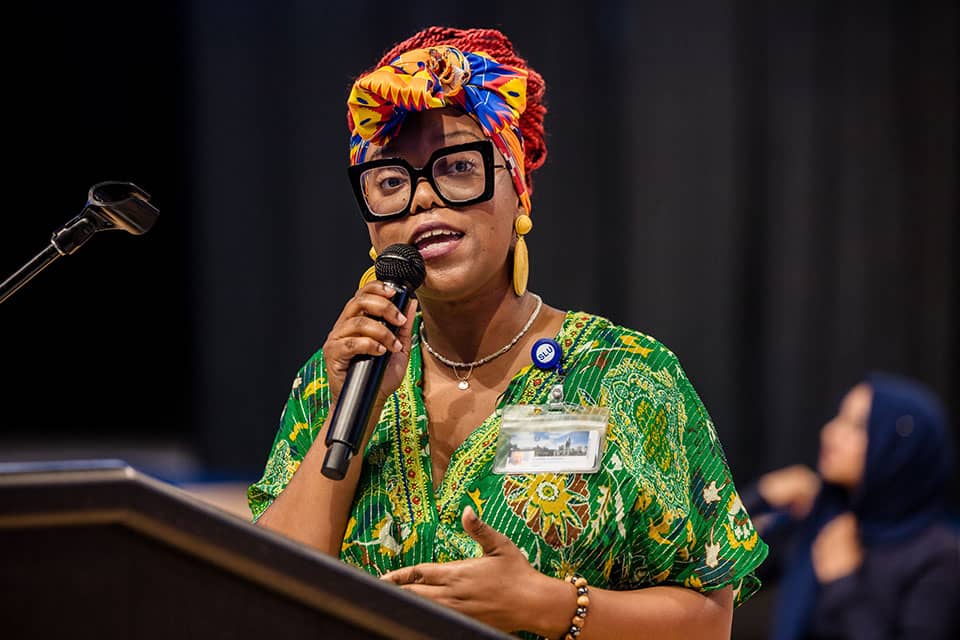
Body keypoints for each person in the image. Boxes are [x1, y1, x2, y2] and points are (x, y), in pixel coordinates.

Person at [247, 26, 768, 639]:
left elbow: (709, 622)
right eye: (390, 181)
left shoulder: (628, 377)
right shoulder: (337, 376)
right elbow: (262, 595)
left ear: (517, 188)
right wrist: (348, 414)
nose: (421, 200)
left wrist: (547, 607)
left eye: (459, 168)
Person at [743, 372, 959, 640]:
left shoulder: (941, 555)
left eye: (857, 426)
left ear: (900, 449)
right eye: (839, 417)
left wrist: (843, 582)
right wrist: (760, 496)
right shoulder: (823, 518)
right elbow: (722, 570)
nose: (830, 432)